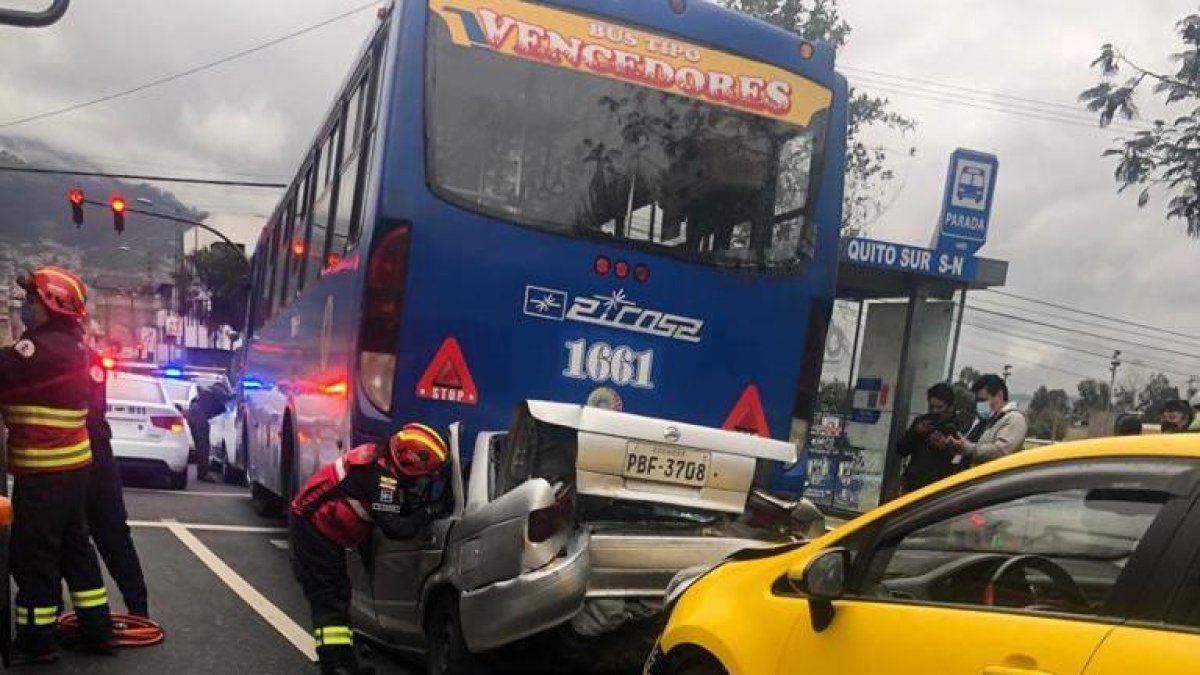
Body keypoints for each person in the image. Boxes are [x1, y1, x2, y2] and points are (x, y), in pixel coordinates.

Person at [0, 266, 114, 663]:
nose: (25, 306)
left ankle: (36, 639)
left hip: (43, 470)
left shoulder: (34, 351)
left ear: (51, 305)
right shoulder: (79, 349)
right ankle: (96, 629)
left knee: (33, 555)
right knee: (74, 546)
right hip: (74, 467)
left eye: (32, 299)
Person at [290, 423, 450, 675]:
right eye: (423, 476)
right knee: (331, 598)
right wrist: (430, 511)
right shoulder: (382, 480)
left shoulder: (381, 462)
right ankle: (337, 665)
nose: (423, 482)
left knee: (337, 595)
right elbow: (396, 528)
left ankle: (341, 659)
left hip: (319, 526)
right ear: (408, 464)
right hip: (313, 529)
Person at [84, 348, 149, 617]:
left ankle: (79, 620)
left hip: (66, 460)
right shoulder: (88, 357)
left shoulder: (43, 352)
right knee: (113, 535)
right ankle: (137, 609)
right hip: (98, 455)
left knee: (68, 540)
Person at [947, 373, 1028, 466]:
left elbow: (1000, 451)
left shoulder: (1014, 419)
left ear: (999, 395)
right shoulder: (992, 420)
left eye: (983, 400)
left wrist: (969, 449)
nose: (980, 405)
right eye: (978, 401)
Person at [895, 383, 960, 492]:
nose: (935, 411)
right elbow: (901, 449)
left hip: (938, 489)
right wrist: (916, 433)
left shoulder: (959, 426)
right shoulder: (922, 422)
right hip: (913, 485)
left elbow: (962, 460)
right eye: (931, 407)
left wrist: (947, 447)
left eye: (939, 407)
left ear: (950, 407)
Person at [187, 381, 234, 482]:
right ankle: (203, 474)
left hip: (193, 414)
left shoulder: (207, 391)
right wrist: (240, 393)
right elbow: (227, 399)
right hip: (199, 416)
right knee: (203, 446)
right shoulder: (217, 389)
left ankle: (201, 472)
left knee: (200, 445)